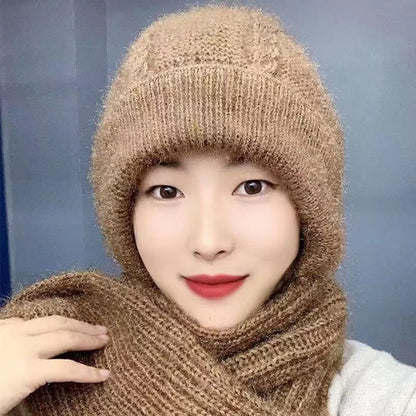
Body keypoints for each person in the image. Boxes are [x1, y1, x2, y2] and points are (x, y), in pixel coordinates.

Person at [0, 3, 415, 416]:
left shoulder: (388, 398)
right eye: (166, 191)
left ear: (309, 212)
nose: (208, 242)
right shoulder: (33, 379)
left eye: (252, 187)